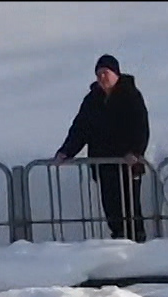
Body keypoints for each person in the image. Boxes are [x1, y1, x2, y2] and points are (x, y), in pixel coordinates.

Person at [53, 53, 151, 242]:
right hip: (103, 165)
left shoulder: (131, 95)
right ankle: (118, 239)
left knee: (130, 207)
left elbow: (141, 127)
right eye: (98, 74)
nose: (102, 77)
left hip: (127, 165)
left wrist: (136, 152)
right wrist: (66, 151)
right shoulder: (92, 100)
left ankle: (136, 242)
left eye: (106, 72)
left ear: (116, 73)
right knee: (111, 208)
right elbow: (80, 128)